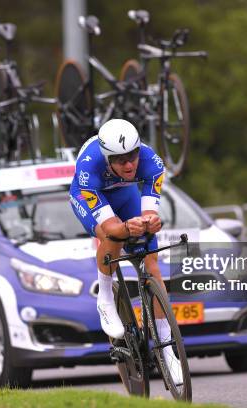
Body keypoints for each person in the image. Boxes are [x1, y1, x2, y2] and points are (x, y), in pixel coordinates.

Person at [69, 118, 182, 384]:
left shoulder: (151, 162)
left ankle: (168, 350)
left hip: (124, 195)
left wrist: (151, 221)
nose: (129, 164)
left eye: (132, 156)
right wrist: (125, 228)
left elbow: (149, 212)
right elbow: (111, 228)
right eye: (120, 160)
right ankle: (105, 298)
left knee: (152, 265)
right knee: (113, 237)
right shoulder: (89, 167)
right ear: (108, 159)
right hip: (89, 196)